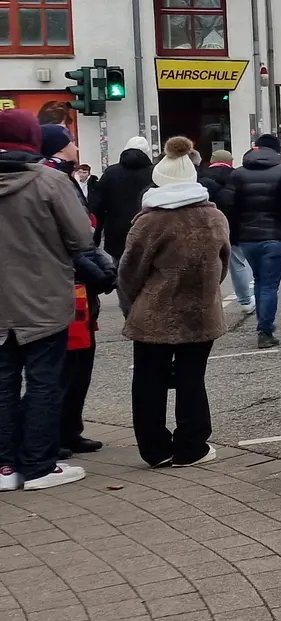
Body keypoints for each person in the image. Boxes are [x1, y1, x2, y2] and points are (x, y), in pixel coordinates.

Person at [0, 109, 99, 491]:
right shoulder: (50, 182)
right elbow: (81, 239)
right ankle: (39, 465)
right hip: (42, 299)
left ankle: (4, 467)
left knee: (3, 384)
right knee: (44, 382)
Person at [116, 138, 229, 468]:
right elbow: (222, 263)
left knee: (149, 380)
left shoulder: (150, 221)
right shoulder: (214, 216)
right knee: (193, 378)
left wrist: (135, 299)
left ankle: (155, 448)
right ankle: (192, 444)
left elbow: (130, 270)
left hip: (155, 312)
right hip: (201, 310)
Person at [41, 125, 109, 459]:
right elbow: (74, 239)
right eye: (70, 142)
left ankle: (70, 430)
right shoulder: (53, 181)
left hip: (77, 284)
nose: (76, 147)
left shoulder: (63, 178)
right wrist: (102, 275)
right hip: (67, 286)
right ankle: (56, 435)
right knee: (67, 368)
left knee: (78, 365)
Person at [219, 133, 281, 349]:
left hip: (247, 237)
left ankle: (264, 326)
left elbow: (227, 204)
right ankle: (265, 330)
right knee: (270, 284)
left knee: (259, 279)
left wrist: (235, 230)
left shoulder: (238, 174)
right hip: (275, 235)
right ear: (277, 151)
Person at [200, 150, 254, 316]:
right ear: (230, 162)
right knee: (238, 263)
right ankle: (245, 300)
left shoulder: (201, 177)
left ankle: (207, 304)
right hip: (234, 225)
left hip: (206, 226)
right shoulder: (237, 176)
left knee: (207, 266)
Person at [90, 136, 155, 261]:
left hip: (116, 232)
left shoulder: (111, 172)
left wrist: (96, 236)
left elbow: (98, 205)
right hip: (147, 230)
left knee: (119, 267)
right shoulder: (154, 173)